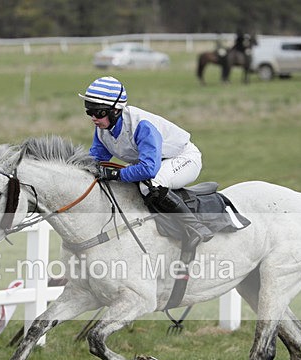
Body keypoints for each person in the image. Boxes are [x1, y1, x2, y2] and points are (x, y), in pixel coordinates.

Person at [79, 76, 213, 247]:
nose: (93, 118)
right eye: (89, 112)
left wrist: (115, 173)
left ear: (115, 110)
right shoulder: (103, 130)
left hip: (183, 158)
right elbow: (94, 162)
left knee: (150, 184)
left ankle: (194, 227)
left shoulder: (142, 125)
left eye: (99, 113)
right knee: (120, 184)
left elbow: (149, 169)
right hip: (154, 162)